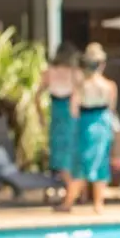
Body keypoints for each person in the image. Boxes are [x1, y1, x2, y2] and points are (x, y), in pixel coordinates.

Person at [57, 42, 118, 214]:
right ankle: (98, 204)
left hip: (86, 124)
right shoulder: (110, 86)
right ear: (102, 64)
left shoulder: (81, 86)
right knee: (100, 164)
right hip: (103, 125)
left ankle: (68, 203)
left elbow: (73, 111)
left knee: (81, 165)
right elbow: (111, 109)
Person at [40, 43, 81, 182]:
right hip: (70, 113)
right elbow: (80, 94)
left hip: (56, 112)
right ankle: (73, 188)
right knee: (71, 150)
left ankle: (70, 187)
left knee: (59, 149)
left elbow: (36, 96)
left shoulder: (48, 72)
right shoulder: (75, 73)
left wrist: (40, 116)